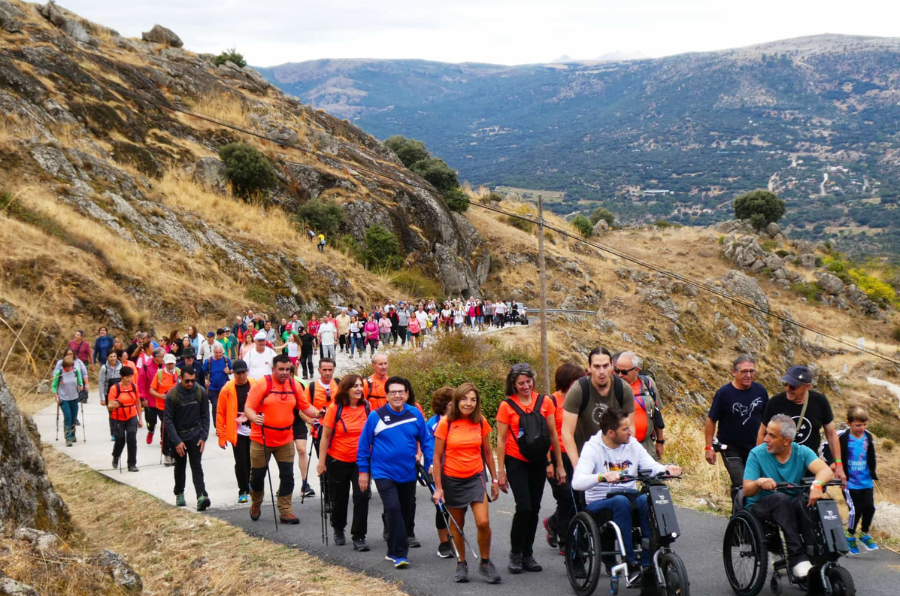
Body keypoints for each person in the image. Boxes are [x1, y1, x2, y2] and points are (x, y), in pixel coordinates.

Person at [571, 407, 682, 584]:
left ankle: (648, 564)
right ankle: (630, 565)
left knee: (647, 499)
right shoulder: (592, 447)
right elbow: (577, 482)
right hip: (600, 503)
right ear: (610, 433)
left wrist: (668, 469)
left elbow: (652, 467)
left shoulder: (632, 444)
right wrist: (602, 477)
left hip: (628, 497)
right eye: (625, 429)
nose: (631, 431)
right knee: (620, 502)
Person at [744, 414, 834, 579]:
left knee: (809, 499)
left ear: (786, 441)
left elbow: (826, 470)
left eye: (772, 435)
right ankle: (798, 558)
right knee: (780, 499)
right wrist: (758, 482)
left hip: (790, 503)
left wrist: (817, 484)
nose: (765, 439)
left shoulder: (802, 452)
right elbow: (747, 490)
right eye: (766, 434)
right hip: (761, 506)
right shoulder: (756, 454)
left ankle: (815, 554)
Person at [358, 377, 433, 568]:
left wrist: (431, 463)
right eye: (393, 392)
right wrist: (363, 471)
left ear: (407, 394)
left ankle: (392, 550)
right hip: (383, 472)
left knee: (405, 513)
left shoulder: (415, 414)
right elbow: (364, 446)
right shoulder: (376, 416)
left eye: (401, 392)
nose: (398, 395)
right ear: (386, 395)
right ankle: (400, 554)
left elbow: (426, 441)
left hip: (408, 473)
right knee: (392, 508)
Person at [496, 363, 565, 574]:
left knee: (534, 508)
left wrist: (558, 464)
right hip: (515, 460)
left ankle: (528, 553)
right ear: (513, 384)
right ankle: (515, 553)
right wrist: (501, 472)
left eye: (528, 382)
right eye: (520, 383)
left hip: (538, 461)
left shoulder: (545, 402)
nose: (525, 386)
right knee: (524, 506)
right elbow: (500, 439)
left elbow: (553, 434)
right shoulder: (506, 406)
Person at [432, 383, 502, 584]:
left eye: (472, 399)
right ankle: (461, 562)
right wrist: (439, 487)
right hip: (452, 479)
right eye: (464, 399)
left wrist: (495, 480)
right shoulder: (446, 423)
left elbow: (488, 453)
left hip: (475, 477)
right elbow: (437, 458)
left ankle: (486, 563)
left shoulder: (480, 421)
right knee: (458, 525)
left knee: (483, 522)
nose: (468, 403)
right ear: (456, 401)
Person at [244, 354, 320, 524]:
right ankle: (256, 502)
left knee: (287, 476)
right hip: (261, 438)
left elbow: (305, 406)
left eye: (288, 369)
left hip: (285, 438)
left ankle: (285, 511)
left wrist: (321, 414)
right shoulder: (262, 384)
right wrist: (254, 418)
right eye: (281, 369)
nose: (285, 373)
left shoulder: (294, 385)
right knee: (257, 476)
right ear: (273, 369)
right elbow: (249, 407)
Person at [757, 365, 845, 482]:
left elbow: (831, 435)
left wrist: (838, 464)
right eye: (786, 384)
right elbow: (762, 434)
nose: (788, 389)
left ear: (807, 386)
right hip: (780, 466)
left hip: (809, 466)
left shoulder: (819, 402)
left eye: (793, 386)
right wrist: (760, 465)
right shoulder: (776, 402)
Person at [317, 375, 371, 550]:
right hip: (337, 460)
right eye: (354, 386)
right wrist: (321, 462)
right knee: (339, 499)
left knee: (362, 497)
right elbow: (325, 436)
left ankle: (359, 535)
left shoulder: (367, 407)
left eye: (360, 386)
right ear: (346, 388)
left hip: (360, 462)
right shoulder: (335, 408)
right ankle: (338, 528)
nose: (358, 389)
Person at [561, 347, 635, 467]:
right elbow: (567, 432)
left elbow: (630, 427)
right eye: (596, 366)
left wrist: (625, 459)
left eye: (605, 366)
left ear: (612, 366)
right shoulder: (578, 390)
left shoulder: (624, 389)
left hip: (615, 459)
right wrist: (578, 466)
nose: (602, 371)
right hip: (585, 458)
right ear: (589, 367)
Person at [705, 354, 770, 488]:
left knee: (755, 483)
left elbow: (767, 420)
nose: (748, 375)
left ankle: (745, 508)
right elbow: (711, 420)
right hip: (730, 448)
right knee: (740, 482)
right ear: (734, 372)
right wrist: (708, 448)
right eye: (744, 371)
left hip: (755, 448)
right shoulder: (724, 393)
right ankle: (739, 509)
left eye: (751, 371)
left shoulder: (760, 391)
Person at [824, 405, 880, 554]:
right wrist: (833, 463)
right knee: (855, 509)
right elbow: (827, 447)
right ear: (849, 423)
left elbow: (871, 454)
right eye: (858, 425)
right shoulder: (843, 436)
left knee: (869, 507)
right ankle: (850, 535)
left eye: (864, 424)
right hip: (849, 482)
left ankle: (864, 534)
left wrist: (872, 471)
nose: (862, 428)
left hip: (865, 480)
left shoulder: (868, 436)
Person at [544, 362, 583, 554]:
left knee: (577, 497)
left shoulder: (581, 399)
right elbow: (546, 434)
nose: (580, 383)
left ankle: (553, 523)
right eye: (577, 379)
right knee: (566, 497)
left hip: (576, 453)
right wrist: (549, 462)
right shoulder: (552, 401)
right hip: (556, 455)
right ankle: (565, 542)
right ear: (567, 380)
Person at [164, 368, 211, 510]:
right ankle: (179, 493)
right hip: (178, 436)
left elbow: (205, 416)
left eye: (193, 380)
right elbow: (168, 420)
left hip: (195, 434)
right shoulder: (172, 395)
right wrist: (177, 441)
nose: (190, 383)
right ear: (180, 378)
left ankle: (201, 496)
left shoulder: (200, 391)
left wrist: (204, 437)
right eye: (187, 381)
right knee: (180, 466)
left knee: (196, 465)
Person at [216, 359, 255, 503]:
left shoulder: (254, 384)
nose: (241, 375)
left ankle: (251, 483)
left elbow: (262, 405)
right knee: (241, 461)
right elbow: (220, 413)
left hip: (253, 429)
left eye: (243, 372)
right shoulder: (227, 389)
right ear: (233, 373)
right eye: (238, 373)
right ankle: (243, 489)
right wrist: (221, 435)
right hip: (236, 431)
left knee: (253, 460)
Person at [614, 352, 665, 460]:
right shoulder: (614, 388)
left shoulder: (648, 383)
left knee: (650, 476)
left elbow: (656, 414)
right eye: (617, 371)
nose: (620, 375)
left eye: (624, 372)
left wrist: (660, 441)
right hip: (621, 448)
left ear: (636, 370)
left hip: (646, 446)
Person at [426, 387, 456, 558]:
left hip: (457, 469)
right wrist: (430, 464)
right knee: (442, 507)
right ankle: (444, 542)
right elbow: (429, 447)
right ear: (443, 406)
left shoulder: (462, 421)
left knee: (456, 506)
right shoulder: (432, 424)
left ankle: (455, 537)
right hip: (437, 469)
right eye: (451, 404)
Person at [107, 365, 143, 472]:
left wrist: (140, 418)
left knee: (132, 438)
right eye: (126, 377)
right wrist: (115, 405)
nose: (128, 379)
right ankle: (116, 455)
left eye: (130, 377)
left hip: (131, 416)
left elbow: (137, 402)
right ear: (121, 377)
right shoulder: (115, 388)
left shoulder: (134, 387)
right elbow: (109, 405)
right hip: (117, 417)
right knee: (120, 439)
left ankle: (132, 464)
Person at [151, 353, 180, 466]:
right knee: (167, 430)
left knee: (177, 429)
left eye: (172, 363)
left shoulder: (179, 372)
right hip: (163, 407)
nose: (170, 366)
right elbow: (152, 390)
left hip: (177, 407)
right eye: (168, 364)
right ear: (164, 364)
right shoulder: (159, 374)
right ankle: (167, 455)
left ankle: (175, 453)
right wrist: (161, 396)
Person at [53, 355, 84, 447]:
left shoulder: (76, 371)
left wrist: (80, 386)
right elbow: (54, 386)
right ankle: (68, 437)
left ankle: (73, 434)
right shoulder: (60, 372)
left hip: (74, 397)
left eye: (69, 366)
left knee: (74, 417)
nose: (67, 368)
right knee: (68, 417)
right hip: (64, 398)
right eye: (65, 366)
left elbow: (80, 382)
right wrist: (56, 396)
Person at [137, 346, 161, 444]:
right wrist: (143, 398)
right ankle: (151, 430)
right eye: (162, 357)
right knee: (150, 420)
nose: (164, 359)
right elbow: (141, 383)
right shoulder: (146, 366)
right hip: (150, 399)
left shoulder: (165, 366)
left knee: (165, 421)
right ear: (155, 357)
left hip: (162, 398)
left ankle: (163, 438)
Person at [99, 350, 124, 441]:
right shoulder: (104, 368)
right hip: (108, 395)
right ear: (107, 358)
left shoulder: (122, 366)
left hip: (120, 394)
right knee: (112, 413)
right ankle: (114, 433)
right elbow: (101, 383)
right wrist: (102, 398)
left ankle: (120, 431)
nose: (113, 358)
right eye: (111, 356)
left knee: (120, 413)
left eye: (114, 356)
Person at [203, 343, 232, 416]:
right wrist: (205, 380)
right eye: (216, 353)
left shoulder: (226, 360)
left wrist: (229, 371)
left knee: (225, 406)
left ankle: (224, 423)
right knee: (215, 405)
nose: (218, 354)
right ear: (213, 351)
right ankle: (217, 424)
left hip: (224, 388)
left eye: (220, 352)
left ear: (222, 352)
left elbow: (233, 371)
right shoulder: (208, 361)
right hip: (212, 388)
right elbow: (201, 373)